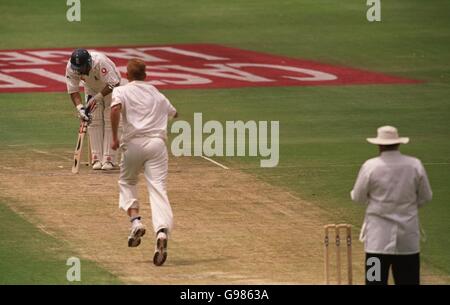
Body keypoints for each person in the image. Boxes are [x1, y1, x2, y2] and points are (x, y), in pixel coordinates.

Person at [110, 59, 177, 266]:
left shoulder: (122, 90)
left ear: (127, 75)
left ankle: (136, 221)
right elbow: (175, 113)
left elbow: (115, 109)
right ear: (145, 76)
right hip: (157, 145)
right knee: (158, 189)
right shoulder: (156, 92)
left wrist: (114, 138)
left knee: (127, 182)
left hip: (133, 145)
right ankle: (162, 232)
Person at [351, 126, 432, 285]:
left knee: (374, 282)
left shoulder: (371, 166)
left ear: (379, 145)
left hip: (377, 242)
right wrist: (407, 207)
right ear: (398, 144)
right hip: (407, 241)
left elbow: (358, 197)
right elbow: (426, 196)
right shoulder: (414, 165)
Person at [65, 48, 122, 170]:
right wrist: (80, 108)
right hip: (91, 88)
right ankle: (96, 158)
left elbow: (114, 83)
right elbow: (73, 90)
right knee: (93, 119)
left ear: (89, 62)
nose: (79, 72)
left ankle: (109, 159)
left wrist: (98, 97)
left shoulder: (100, 62)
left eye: (82, 69)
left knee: (109, 118)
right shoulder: (71, 66)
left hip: (111, 88)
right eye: (77, 70)